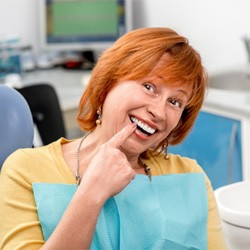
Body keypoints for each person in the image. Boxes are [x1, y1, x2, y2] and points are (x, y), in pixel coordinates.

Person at [0, 27, 227, 249]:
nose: (159, 112)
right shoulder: (25, 170)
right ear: (107, 85)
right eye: (149, 87)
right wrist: (92, 193)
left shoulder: (191, 177)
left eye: (175, 102)